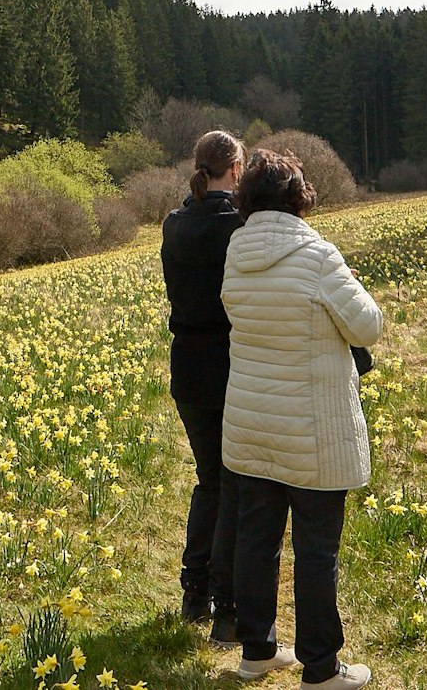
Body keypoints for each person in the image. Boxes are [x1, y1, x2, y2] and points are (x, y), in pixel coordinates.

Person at [221, 149, 381, 689]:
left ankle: (258, 650)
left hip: (251, 420)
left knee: (256, 541)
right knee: (316, 551)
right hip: (311, 430)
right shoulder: (318, 255)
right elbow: (367, 327)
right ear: (298, 196)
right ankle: (321, 667)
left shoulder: (235, 252)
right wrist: (352, 284)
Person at [159, 129, 248, 644]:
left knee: (208, 479)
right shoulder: (236, 223)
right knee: (232, 483)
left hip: (187, 368)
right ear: (235, 171)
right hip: (230, 365)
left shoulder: (175, 224)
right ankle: (224, 599)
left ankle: (194, 590)